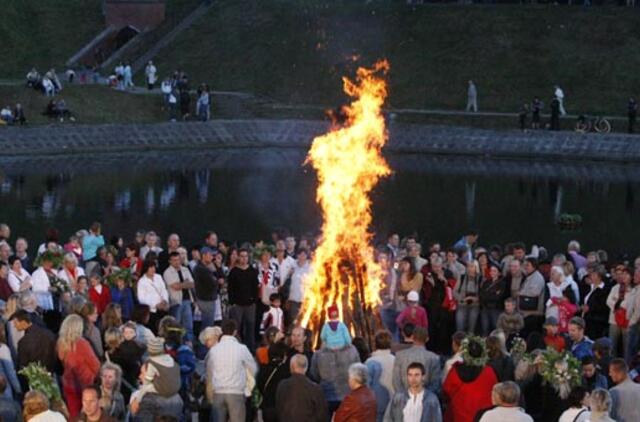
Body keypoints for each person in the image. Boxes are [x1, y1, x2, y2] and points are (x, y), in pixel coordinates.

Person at [207, 319, 257, 422]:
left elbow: (209, 371)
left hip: (218, 392)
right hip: (236, 392)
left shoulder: (214, 350)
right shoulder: (242, 348)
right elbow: (253, 368)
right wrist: (247, 387)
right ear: (235, 332)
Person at [443, 336, 498, 422]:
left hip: (458, 415)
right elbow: (494, 392)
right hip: (481, 417)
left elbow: (446, 391)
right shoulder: (489, 371)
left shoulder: (454, 371)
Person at [57, 314, 101, 418]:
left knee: (74, 414)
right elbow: (95, 364)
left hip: (69, 383)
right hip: (84, 383)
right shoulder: (82, 343)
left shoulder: (60, 343)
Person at [13, 309, 57, 390]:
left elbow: (23, 367)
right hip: (51, 376)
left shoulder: (23, 342)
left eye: (15, 323)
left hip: (35, 381)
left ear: (23, 322)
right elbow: (55, 356)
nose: (14, 326)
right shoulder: (49, 334)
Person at [275, 354, 328, 422]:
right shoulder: (315, 388)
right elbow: (322, 415)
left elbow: (279, 409)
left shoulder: (282, 385)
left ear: (291, 366)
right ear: (306, 367)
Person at [392, 327, 441, 394]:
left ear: (412, 337)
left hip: (404, 399)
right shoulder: (434, 358)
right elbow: (435, 384)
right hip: (425, 399)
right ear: (427, 339)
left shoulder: (400, 355)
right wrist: (423, 397)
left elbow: (396, 381)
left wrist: (404, 396)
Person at [227, 248, 259, 351]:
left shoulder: (253, 271)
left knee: (250, 326)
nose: (244, 258)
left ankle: (251, 348)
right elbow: (230, 288)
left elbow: (255, 287)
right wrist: (232, 303)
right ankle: (236, 348)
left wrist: (254, 300)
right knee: (236, 327)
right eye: (242, 256)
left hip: (250, 304)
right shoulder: (234, 271)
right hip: (237, 304)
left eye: (246, 256)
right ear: (238, 257)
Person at [163, 251, 195, 340]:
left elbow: (192, 284)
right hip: (176, 302)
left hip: (187, 300)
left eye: (178, 260)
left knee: (188, 326)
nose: (177, 262)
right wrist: (185, 283)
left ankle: (189, 345)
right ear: (170, 261)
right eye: (174, 260)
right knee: (176, 327)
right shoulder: (167, 272)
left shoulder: (185, 269)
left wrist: (182, 284)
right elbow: (175, 286)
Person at [257, 342, 290, 422]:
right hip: (281, 407)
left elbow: (259, 386)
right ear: (284, 355)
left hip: (267, 406)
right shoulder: (286, 371)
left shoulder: (262, 369)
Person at [137, 260, 169, 333]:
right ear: (146, 268)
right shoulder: (142, 281)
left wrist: (165, 300)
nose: (153, 269)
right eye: (151, 267)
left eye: (154, 267)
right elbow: (141, 298)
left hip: (162, 308)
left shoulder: (158, 277)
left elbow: (164, 290)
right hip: (151, 311)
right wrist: (155, 305)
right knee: (153, 330)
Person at [608, 358, 640, 422]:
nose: (610, 374)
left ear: (618, 372)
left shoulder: (613, 392)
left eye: (611, 372)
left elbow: (609, 417)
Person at [454, 260, 481, 333]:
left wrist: (474, 298)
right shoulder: (462, 277)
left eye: (472, 266)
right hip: (462, 305)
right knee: (460, 326)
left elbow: (483, 294)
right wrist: (462, 299)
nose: (469, 268)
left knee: (471, 328)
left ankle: (470, 343)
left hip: (475, 305)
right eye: (468, 266)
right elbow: (455, 291)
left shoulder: (480, 279)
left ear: (476, 268)